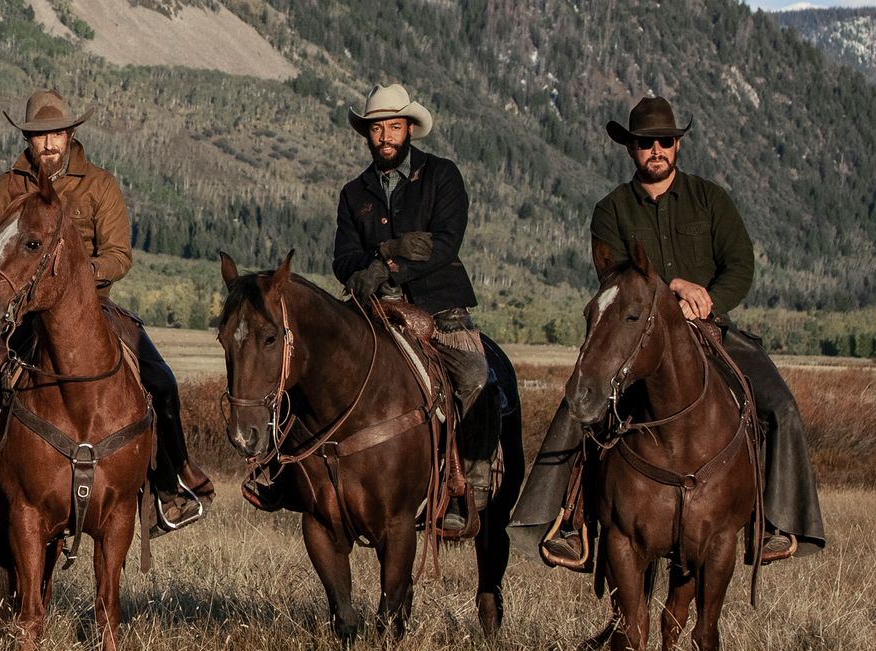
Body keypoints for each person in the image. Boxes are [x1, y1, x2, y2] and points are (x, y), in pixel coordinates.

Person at [513, 96, 826, 566]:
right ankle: (567, 519)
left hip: (708, 327)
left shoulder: (711, 199)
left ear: (676, 144)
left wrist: (709, 299)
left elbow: (739, 265)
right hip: (638, 331)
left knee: (778, 404)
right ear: (630, 148)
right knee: (581, 399)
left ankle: (773, 523)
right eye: (645, 143)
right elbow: (615, 277)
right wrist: (671, 287)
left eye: (664, 141)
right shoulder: (610, 210)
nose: (655, 149)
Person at [0, 89, 213, 532]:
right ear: (27, 138)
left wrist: (79, 277)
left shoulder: (99, 184)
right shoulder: (7, 187)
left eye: (56, 134)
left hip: (91, 306)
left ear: (71, 133)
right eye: (39, 136)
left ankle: (173, 483)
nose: (48, 144)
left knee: (159, 377)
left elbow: (120, 254)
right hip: (19, 309)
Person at [330, 83, 492, 531]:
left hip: (442, 308)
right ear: (367, 134)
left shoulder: (441, 176)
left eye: (394, 127)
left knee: (476, 377)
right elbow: (342, 260)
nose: (386, 136)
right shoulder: (353, 193)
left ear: (409, 130)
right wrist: (390, 251)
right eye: (378, 128)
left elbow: (443, 244)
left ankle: (469, 484)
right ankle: (300, 473)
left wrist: (385, 267)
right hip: (376, 313)